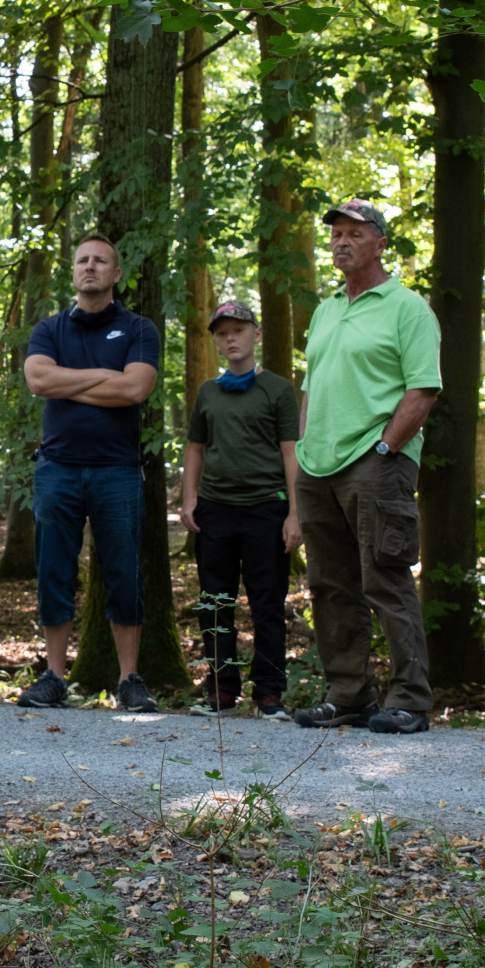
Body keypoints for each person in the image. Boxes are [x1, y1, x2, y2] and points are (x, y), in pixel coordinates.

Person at [293, 199, 441, 736]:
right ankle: (349, 694)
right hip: (318, 466)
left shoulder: (407, 308)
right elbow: (311, 387)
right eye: (336, 233)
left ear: (381, 244)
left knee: (385, 576)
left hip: (375, 462)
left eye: (355, 233)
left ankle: (410, 700)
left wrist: (385, 448)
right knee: (330, 585)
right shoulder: (326, 309)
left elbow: (423, 389)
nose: (341, 241)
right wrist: (304, 449)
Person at [18, 233, 161, 713]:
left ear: (116, 274)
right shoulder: (49, 329)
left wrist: (68, 383)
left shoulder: (139, 329)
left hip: (117, 471)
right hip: (57, 469)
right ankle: (54, 677)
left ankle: (129, 679)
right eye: (83, 260)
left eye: (101, 260)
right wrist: (106, 376)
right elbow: (38, 379)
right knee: (53, 571)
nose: (90, 267)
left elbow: (135, 389)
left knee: (124, 573)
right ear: (74, 271)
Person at [181, 300, 301, 719]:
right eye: (222, 333)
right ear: (216, 342)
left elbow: (291, 452)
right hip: (215, 511)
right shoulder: (208, 392)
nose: (230, 339)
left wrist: (295, 513)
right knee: (215, 602)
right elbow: (195, 448)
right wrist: (190, 499)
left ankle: (269, 693)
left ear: (257, 334)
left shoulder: (278, 390)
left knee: (268, 603)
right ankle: (221, 690)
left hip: (266, 509)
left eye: (238, 330)